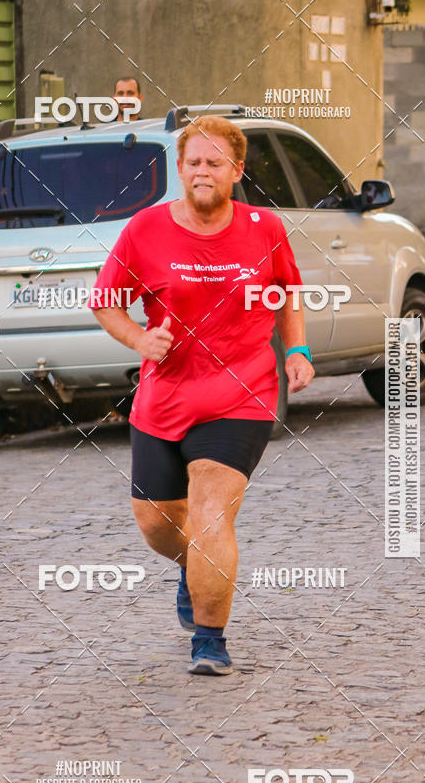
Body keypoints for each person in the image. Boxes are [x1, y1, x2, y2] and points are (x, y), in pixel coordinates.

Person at [89, 115, 314, 675]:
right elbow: (105, 300)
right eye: (193, 162)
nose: (202, 171)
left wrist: (296, 351)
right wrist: (141, 338)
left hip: (241, 393)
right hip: (163, 399)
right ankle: (195, 568)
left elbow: (287, 294)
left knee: (212, 513)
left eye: (214, 162)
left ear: (236, 170)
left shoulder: (264, 228)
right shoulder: (144, 230)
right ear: (180, 169)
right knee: (156, 522)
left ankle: (209, 639)